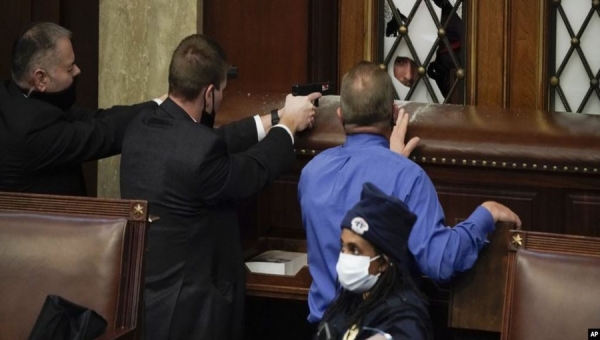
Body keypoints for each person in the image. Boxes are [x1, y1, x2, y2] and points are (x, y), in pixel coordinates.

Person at [119, 33, 320, 340]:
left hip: (146, 301)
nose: (224, 98)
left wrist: (275, 118)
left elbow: (210, 143)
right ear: (209, 93)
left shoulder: (141, 126)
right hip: (194, 313)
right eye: (224, 91)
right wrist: (289, 128)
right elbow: (252, 171)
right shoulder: (200, 152)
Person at [299, 61, 521, 324]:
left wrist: (392, 163)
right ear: (394, 113)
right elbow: (441, 263)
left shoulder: (311, 173)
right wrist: (487, 213)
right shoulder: (407, 177)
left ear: (340, 115)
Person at [0, 22, 161, 196]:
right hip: (43, 222)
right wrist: (168, 107)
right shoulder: (32, 129)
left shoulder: (16, 95)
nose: (77, 70)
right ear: (41, 79)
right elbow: (102, 134)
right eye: (69, 68)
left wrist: (158, 103)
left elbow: (97, 118)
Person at [316, 182, 433, 340]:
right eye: (343, 247)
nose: (345, 257)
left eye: (355, 250)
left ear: (383, 263)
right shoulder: (349, 301)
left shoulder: (404, 314)